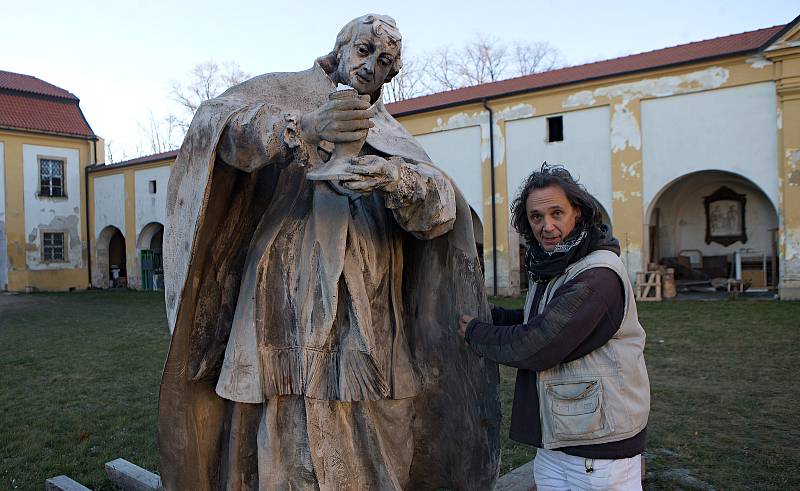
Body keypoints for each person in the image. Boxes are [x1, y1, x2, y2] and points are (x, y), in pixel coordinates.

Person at [159, 14, 500, 491]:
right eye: (363, 50)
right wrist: (302, 127)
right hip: (287, 289)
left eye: (384, 62)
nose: (370, 66)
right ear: (340, 49)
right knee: (288, 410)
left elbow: (442, 207)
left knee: (378, 409)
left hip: (370, 297)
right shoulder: (285, 93)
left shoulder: (389, 133)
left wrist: (394, 180)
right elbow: (218, 128)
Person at [458, 163, 650, 490]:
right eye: (536, 217)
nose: (546, 226)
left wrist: (475, 332)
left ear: (578, 212)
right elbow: (539, 320)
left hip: (598, 450)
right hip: (561, 440)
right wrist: (485, 314)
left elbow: (539, 344)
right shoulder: (558, 267)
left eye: (556, 213)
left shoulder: (596, 276)